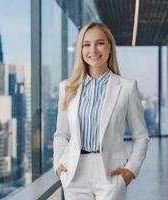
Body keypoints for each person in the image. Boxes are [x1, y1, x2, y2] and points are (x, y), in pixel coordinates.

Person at [53, 23, 149, 200]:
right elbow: (62, 134)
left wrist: (130, 171)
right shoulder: (67, 87)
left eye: (100, 43)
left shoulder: (127, 87)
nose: (93, 50)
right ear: (80, 50)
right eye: (86, 44)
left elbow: (141, 136)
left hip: (111, 173)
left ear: (110, 47)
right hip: (74, 173)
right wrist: (58, 165)